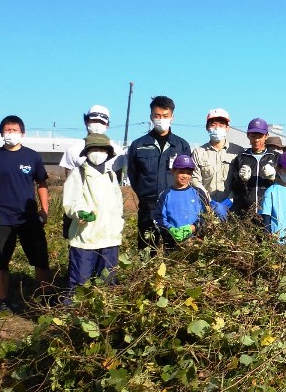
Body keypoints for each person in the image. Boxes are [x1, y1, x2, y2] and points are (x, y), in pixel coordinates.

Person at [0, 115, 53, 313]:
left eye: (14, 130)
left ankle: (45, 298)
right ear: (1, 133)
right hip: (1, 219)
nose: (11, 133)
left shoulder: (33, 157)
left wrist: (44, 210)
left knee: (41, 259)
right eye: (7, 130)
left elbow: (42, 184)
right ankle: (3, 301)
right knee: (0, 261)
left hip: (28, 218)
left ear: (23, 133)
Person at [62, 134, 124, 299]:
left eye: (102, 149)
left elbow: (118, 205)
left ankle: (103, 321)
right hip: (85, 237)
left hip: (110, 239)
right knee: (80, 284)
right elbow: (70, 202)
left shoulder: (111, 175)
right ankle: (73, 319)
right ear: (87, 151)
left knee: (107, 283)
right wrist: (80, 212)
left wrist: (119, 226)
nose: (98, 152)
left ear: (107, 153)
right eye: (94, 149)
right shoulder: (78, 173)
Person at [126, 96, 192, 250]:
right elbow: (133, 174)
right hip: (148, 208)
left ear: (172, 117)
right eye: (157, 116)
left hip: (174, 208)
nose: (161, 119)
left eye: (165, 116)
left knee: (175, 253)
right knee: (147, 251)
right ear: (151, 117)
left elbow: (187, 176)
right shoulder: (138, 146)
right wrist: (145, 195)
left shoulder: (181, 146)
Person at [58, 105, 124, 240]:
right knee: (77, 250)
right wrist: (80, 211)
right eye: (94, 120)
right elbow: (70, 186)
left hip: (106, 218)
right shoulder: (73, 150)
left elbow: (115, 187)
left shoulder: (117, 152)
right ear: (86, 121)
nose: (97, 125)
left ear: (108, 124)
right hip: (80, 215)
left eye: (102, 121)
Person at [154, 155, 225, 249]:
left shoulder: (198, 193)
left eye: (189, 173)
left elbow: (206, 215)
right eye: (181, 172)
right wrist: (170, 230)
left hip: (196, 242)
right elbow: (158, 218)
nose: (185, 176)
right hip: (172, 245)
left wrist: (193, 227)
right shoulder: (165, 195)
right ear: (172, 171)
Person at [191, 108, 244, 206]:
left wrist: (229, 201)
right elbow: (194, 180)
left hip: (232, 208)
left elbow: (240, 181)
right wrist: (209, 202)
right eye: (213, 124)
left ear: (227, 128)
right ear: (207, 127)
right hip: (205, 207)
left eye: (221, 125)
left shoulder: (238, 152)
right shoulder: (198, 152)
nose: (217, 128)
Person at [229, 118, 278, 217]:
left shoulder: (276, 158)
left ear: (266, 136)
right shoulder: (240, 159)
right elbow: (234, 189)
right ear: (248, 135)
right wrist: (241, 180)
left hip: (270, 211)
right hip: (245, 213)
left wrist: (274, 179)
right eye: (253, 136)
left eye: (260, 136)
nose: (256, 139)